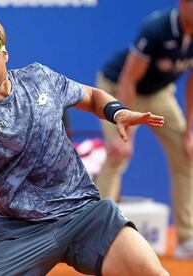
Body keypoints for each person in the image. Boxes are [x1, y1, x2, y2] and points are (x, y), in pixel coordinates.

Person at [0, 17, 168, 275]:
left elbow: (92, 96)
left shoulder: (39, 77)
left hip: (84, 213)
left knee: (152, 273)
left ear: (5, 55)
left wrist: (117, 113)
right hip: (23, 231)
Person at [95, 1, 193, 259]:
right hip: (119, 90)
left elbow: (192, 82)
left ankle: (187, 238)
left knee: (187, 154)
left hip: (159, 95)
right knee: (119, 153)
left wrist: (189, 131)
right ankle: (96, 237)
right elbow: (129, 79)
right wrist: (123, 132)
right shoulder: (156, 28)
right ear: (183, 4)